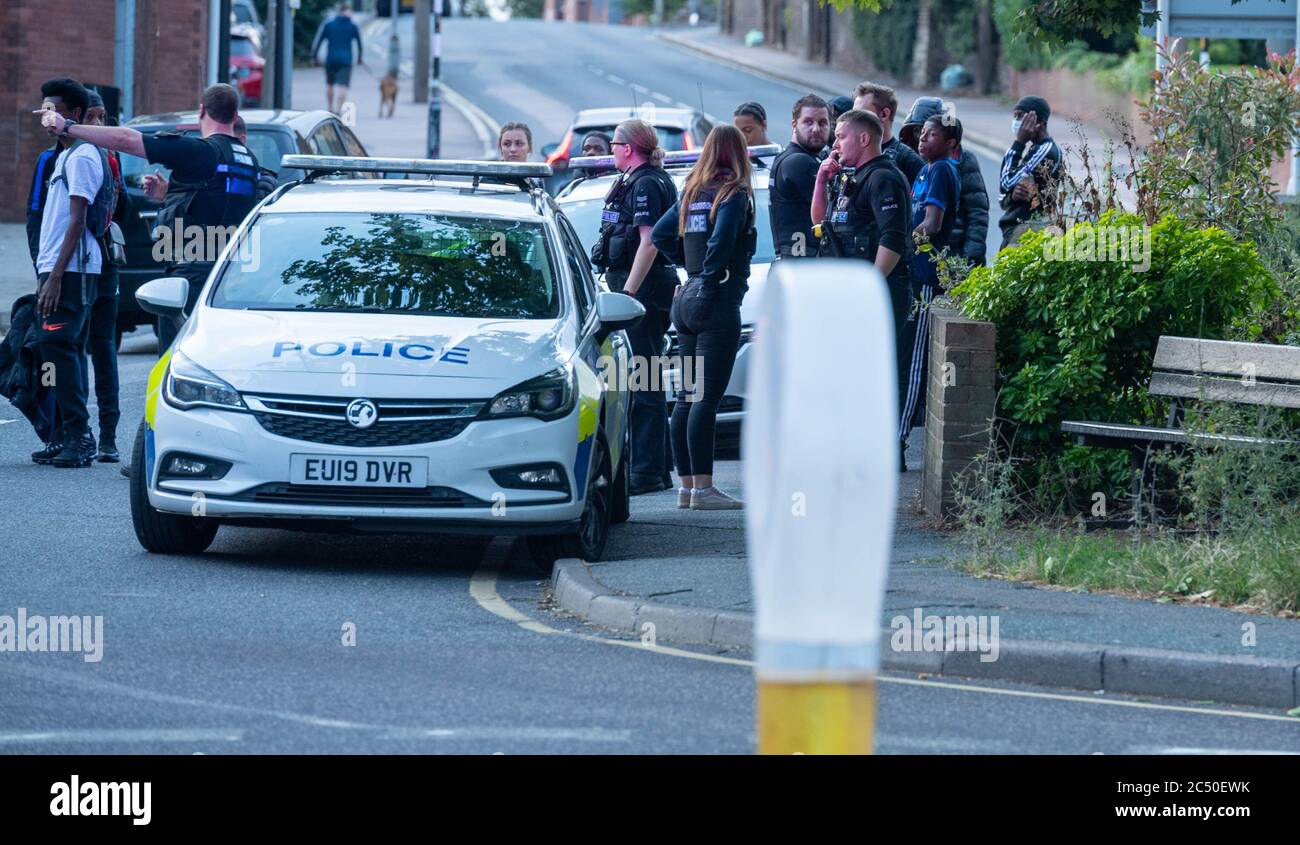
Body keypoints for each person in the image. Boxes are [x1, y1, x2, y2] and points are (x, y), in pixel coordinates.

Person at [38, 83, 261, 354]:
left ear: (201, 111)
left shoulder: (202, 151)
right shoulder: (247, 159)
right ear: (236, 116)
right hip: (232, 274)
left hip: (193, 275)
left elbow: (127, 141)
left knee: (178, 360)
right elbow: (218, 200)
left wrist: (68, 127)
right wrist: (168, 194)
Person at [652, 125, 755, 510]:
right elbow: (723, 240)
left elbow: (661, 236)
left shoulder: (691, 192)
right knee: (706, 400)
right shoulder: (734, 194)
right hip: (715, 299)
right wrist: (711, 276)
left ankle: (688, 487)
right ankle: (706, 490)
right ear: (739, 153)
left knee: (686, 397)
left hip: (686, 297)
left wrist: (689, 267)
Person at [810, 109, 913, 470]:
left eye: (840, 136)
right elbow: (820, 222)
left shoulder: (884, 178)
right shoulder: (851, 177)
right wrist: (822, 180)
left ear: (864, 138)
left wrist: (869, 287)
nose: (834, 142)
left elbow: (894, 239)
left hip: (878, 296)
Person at [593, 119, 679, 495]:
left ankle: (645, 471)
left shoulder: (645, 183)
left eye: (614, 144)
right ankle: (657, 468)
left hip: (641, 288)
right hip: (642, 285)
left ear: (627, 147)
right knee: (647, 375)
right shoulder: (641, 178)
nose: (611, 150)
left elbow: (650, 242)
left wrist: (628, 292)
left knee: (640, 377)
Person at [29, 78, 103, 468]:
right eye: (43, 108)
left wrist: (56, 276)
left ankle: (80, 436)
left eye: (51, 109)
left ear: (73, 115)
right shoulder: (63, 156)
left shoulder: (84, 156)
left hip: (72, 270)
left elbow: (78, 221)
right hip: (56, 267)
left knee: (60, 347)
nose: (45, 115)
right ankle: (66, 434)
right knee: (58, 351)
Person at [899, 115, 962, 456]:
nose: (922, 139)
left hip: (927, 275)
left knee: (914, 360)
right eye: (921, 134)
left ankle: (898, 439)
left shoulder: (942, 170)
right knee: (904, 352)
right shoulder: (924, 171)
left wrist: (904, 242)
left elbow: (933, 224)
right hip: (912, 272)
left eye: (931, 134)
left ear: (951, 143)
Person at [81, 89, 126, 462]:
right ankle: (77, 430)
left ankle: (107, 433)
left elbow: (120, 206)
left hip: (100, 260)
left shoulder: (107, 156)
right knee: (83, 345)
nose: (99, 124)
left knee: (100, 343)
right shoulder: (104, 154)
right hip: (88, 261)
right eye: (93, 117)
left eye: (102, 117)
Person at [901, 96, 990, 268]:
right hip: (919, 258)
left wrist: (972, 257)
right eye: (919, 131)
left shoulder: (959, 162)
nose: (921, 137)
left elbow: (977, 211)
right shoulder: (914, 162)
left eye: (931, 132)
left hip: (949, 255)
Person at [142, 116, 278, 204]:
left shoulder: (259, 181)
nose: (217, 149)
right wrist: (168, 194)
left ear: (241, 141)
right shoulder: (202, 175)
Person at [768, 93, 830, 259]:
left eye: (823, 122)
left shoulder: (789, 157)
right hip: (803, 266)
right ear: (794, 125)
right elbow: (833, 212)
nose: (816, 129)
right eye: (808, 122)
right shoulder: (799, 162)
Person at [998, 95, 1061, 249]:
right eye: (1015, 116)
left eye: (1020, 116)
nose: (1016, 122)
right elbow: (1003, 197)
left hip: (1026, 231)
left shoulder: (1045, 151)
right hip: (1016, 230)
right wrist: (1012, 196)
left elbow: (1006, 182)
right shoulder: (1035, 148)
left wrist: (1019, 143)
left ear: (1038, 122)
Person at [853, 82, 924, 186]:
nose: (853, 120)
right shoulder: (848, 152)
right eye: (853, 113)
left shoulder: (909, 161)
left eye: (861, 114)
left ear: (884, 114)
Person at [311, 3, 365, 115]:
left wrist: (314, 56)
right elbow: (359, 43)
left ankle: (330, 108)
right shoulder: (352, 26)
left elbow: (319, 40)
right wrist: (359, 58)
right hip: (346, 60)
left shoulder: (329, 24)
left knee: (329, 84)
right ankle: (339, 111)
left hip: (331, 59)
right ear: (346, 12)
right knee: (343, 86)